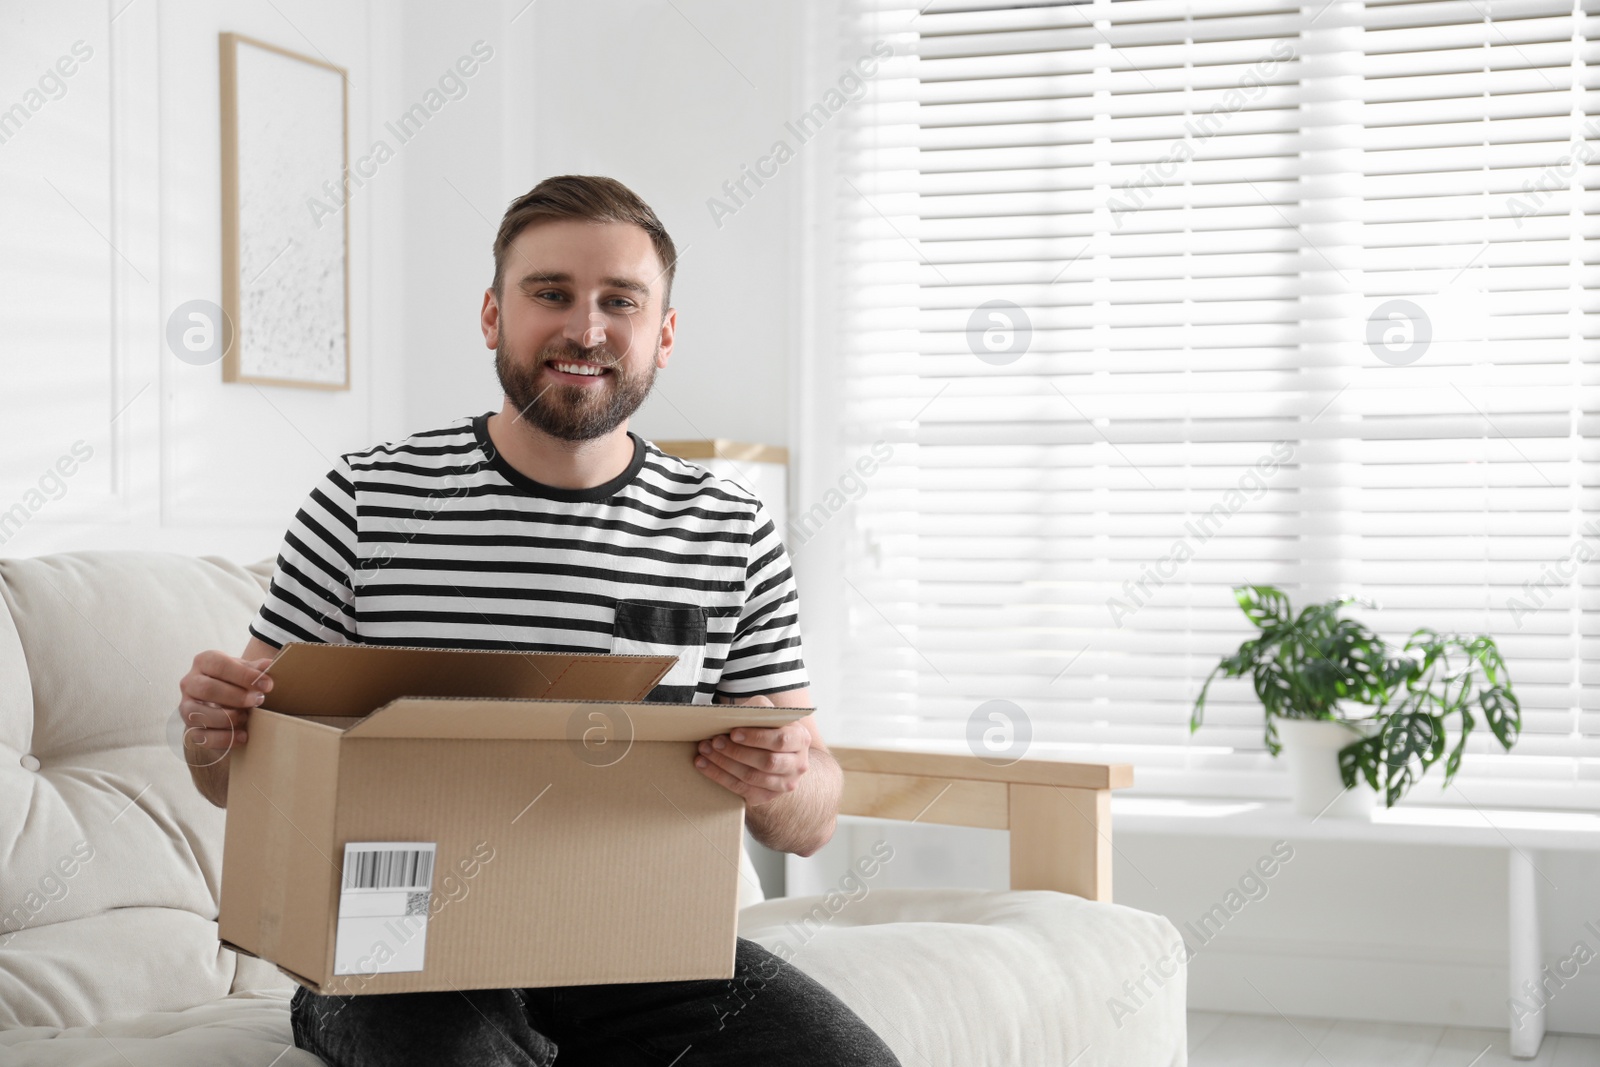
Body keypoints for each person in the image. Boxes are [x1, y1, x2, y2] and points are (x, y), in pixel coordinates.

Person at [177, 174, 900, 1067]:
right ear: (492, 316)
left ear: (663, 334)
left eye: (619, 301)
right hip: (392, 949)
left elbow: (813, 817)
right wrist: (215, 732)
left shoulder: (728, 524)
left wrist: (780, 776)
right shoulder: (366, 499)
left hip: (639, 946)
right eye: (549, 293)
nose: (584, 328)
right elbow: (232, 775)